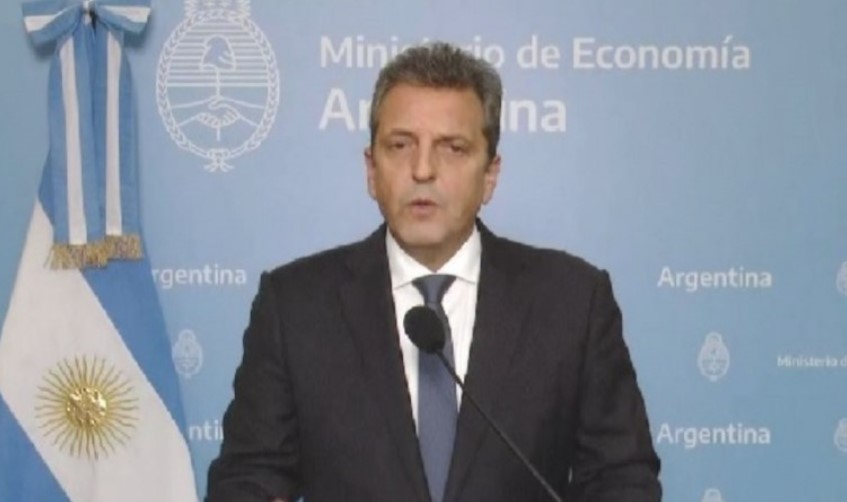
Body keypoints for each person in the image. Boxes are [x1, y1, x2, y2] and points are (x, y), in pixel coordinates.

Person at [206, 41, 661, 502]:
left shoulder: (572, 303)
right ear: (371, 169)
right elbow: (245, 482)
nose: (422, 169)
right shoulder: (296, 308)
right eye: (400, 145)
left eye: (453, 148)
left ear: (490, 176)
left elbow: (623, 481)